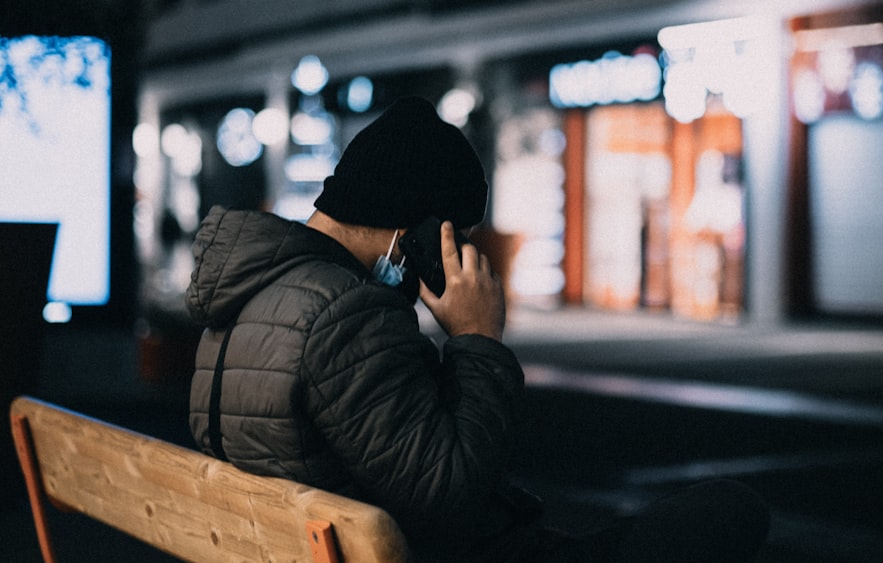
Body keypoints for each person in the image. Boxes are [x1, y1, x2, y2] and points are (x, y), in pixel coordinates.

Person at [186, 96, 769, 562]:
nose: (460, 249)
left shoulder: (249, 296)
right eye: (455, 232)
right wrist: (478, 340)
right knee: (727, 510)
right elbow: (451, 495)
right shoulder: (346, 314)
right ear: (417, 228)